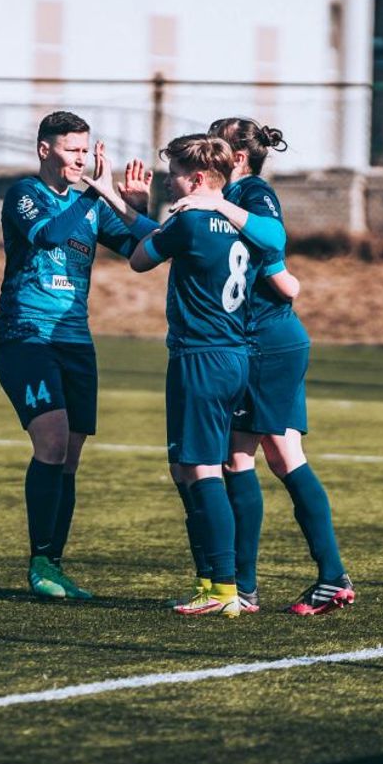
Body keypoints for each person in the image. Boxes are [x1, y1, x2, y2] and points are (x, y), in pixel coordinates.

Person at [174, 118, 355, 616]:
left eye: (217, 145)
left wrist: (218, 205)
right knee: (282, 455)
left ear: (236, 158)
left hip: (263, 342)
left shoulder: (251, 192)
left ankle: (247, 586)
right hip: (269, 341)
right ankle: (329, 577)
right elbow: (277, 271)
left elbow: (273, 237)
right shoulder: (226, 200)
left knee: (239, 459)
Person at [0, 111, 156, 600]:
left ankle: (54, 564)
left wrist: (135, 208)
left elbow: (144, 252)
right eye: (72, 150)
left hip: (76, 340)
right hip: (25, 334)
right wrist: (95, 193)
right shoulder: (24, 193)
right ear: (45, 150)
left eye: (86, 150)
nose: (81, 159)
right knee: (52, 439)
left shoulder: (92, 205)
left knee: (70, 456)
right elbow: (48, 235)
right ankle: (40, 562)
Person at [123, 134, 260, 617]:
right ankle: (210, 581)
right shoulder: (243, 222)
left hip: (199, 355)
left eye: (174, 175)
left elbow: (139, 259)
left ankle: (224, 590)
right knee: (187, 467)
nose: (168, 183)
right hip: (235, 354)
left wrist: (140, 212)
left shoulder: (189, 221)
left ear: (197, 179)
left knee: (202, 469)